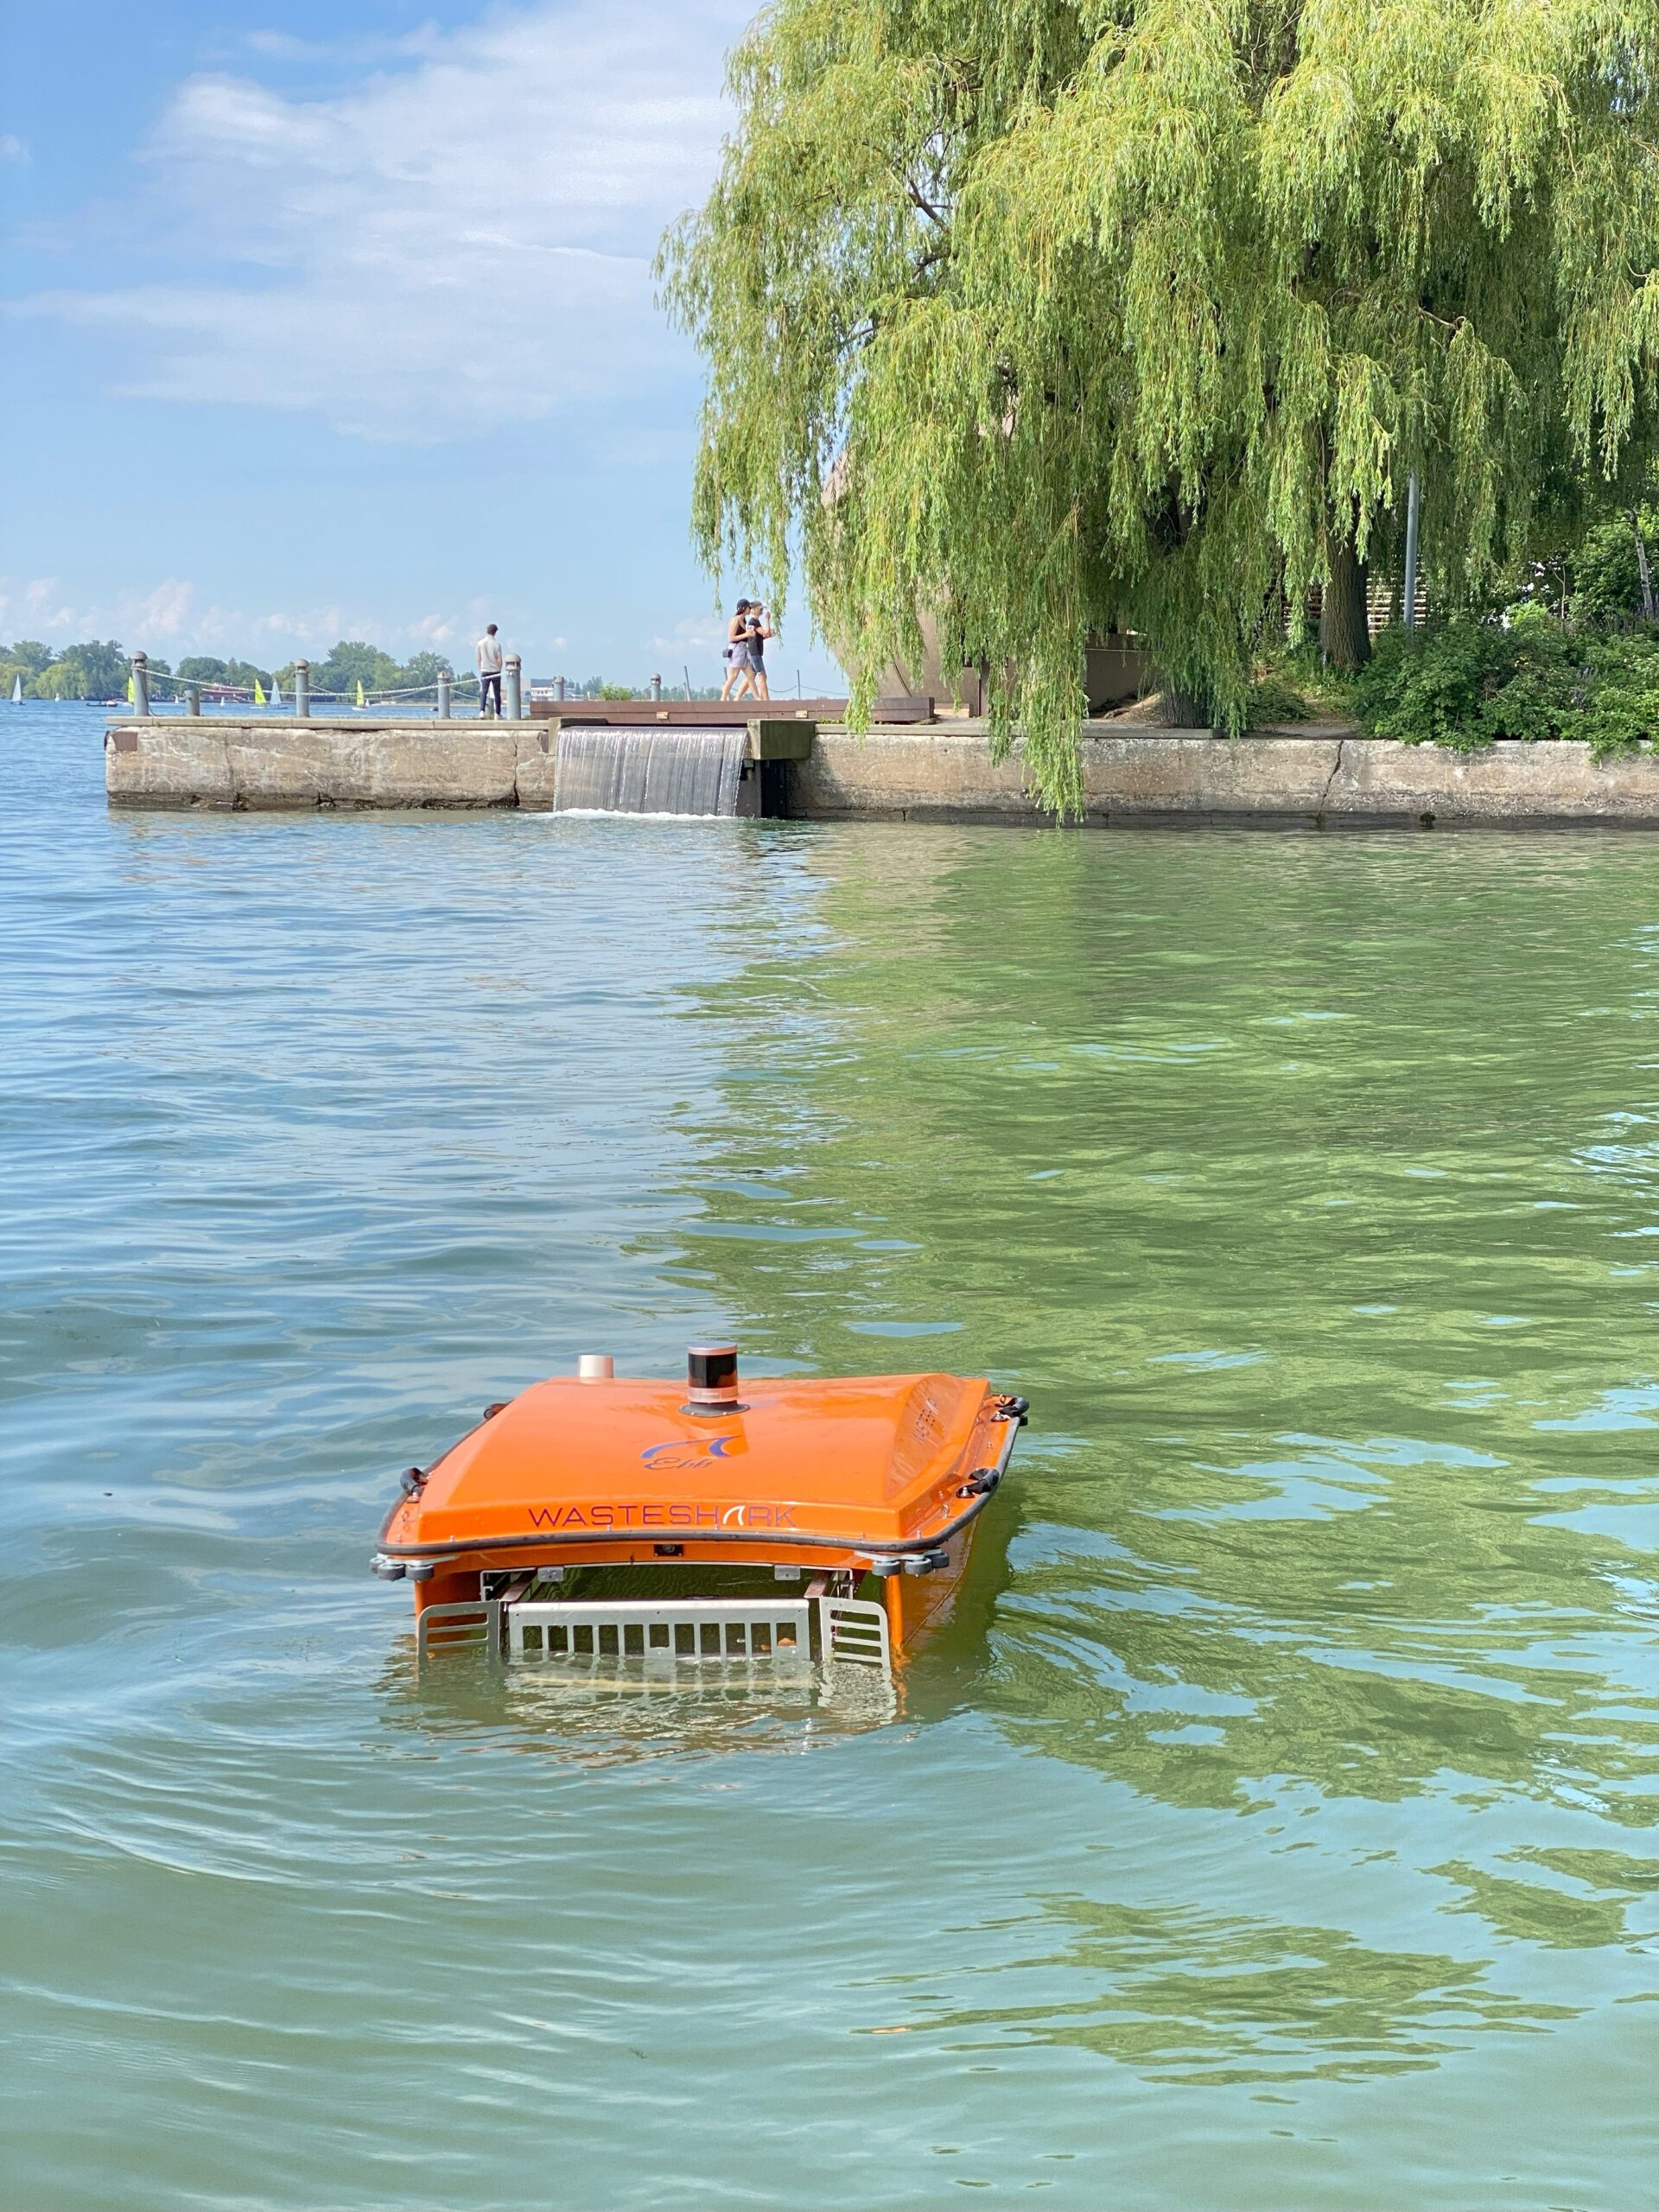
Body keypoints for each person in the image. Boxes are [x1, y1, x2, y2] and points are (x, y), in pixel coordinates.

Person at [721, 601, 753, 701]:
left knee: (750, 676)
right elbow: (731, 637)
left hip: (743, 651)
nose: (750, 608)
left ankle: (758, 697)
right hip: (737, 651)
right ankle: (723, 699)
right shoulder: (736, 620)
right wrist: (746, 635)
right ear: (744, 608)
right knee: (733, 676)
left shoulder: (743, 620)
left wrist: (750, 636)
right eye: (749, 607)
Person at [476, 624, 504, 716]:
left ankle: (482, 711)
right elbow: (499, 659)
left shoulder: (480, 643)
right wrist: (500, 669)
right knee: (497, 693)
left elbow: (479, 658)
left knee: (484, 691)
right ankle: (497, 713)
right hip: (495, 670)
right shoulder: (497, 644)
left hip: (484, 669)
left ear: (487, 631)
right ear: (495, 632)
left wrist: (481, 668)